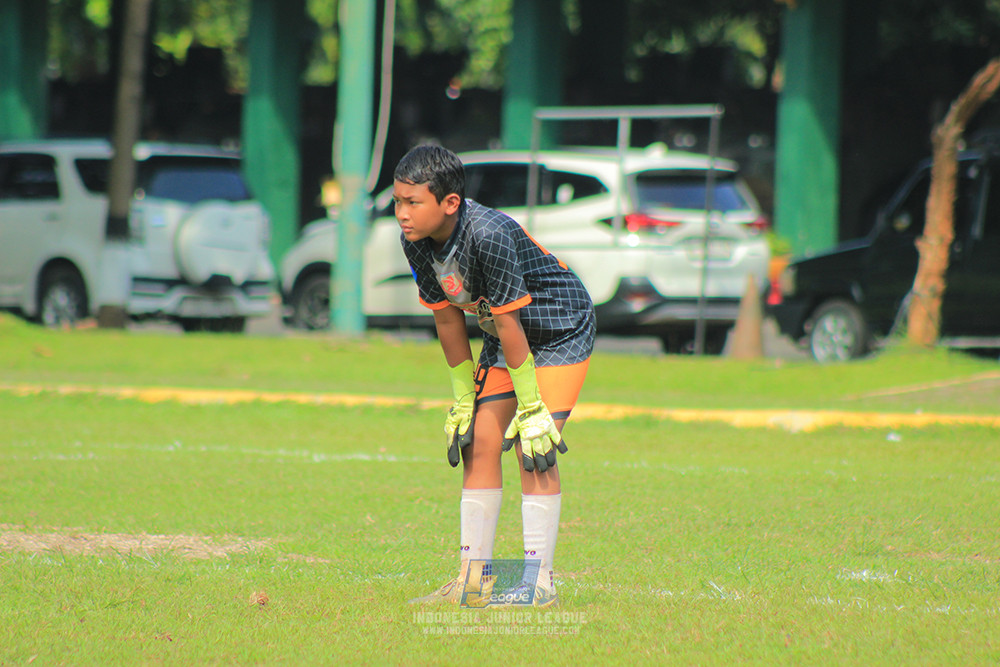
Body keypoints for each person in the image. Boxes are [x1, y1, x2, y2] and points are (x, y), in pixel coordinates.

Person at [396, 145, 595, 609]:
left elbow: (509, 322)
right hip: (508, 336)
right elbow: (447, 320)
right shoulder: (414, 241)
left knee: (534, 447)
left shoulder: (489, 232)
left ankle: (538, 585)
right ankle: (473, 582)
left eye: (413, 203)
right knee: (478, 440)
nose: (402, 214)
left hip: (560, 327)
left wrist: (531, 408)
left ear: (449, 203)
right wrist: (464, 399)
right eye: (397, 202)